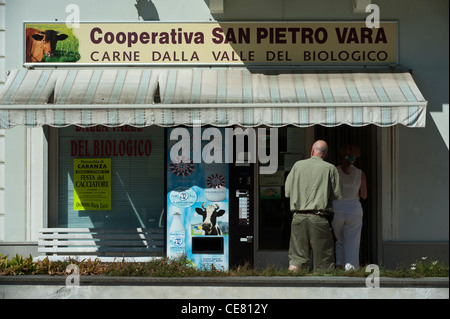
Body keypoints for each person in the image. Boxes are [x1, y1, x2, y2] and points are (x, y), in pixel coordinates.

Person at [285, 140, 343, 273]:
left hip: (298, 217)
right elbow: (337, 194)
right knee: (324, 263)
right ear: (326, 154)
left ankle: (292, 288)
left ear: (312, 151)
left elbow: (288, 192)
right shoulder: (330, 168)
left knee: (296, 261)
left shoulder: (297, 166)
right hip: (318, 218)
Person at [332, 144, 367, 271]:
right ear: (355, 158)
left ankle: (339, 265)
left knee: (340, 240)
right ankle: (350, 269)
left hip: (337, 209)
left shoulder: (334, 171)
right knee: (352, 241)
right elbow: (364, 195)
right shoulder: (359, 173)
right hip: (354, 211)